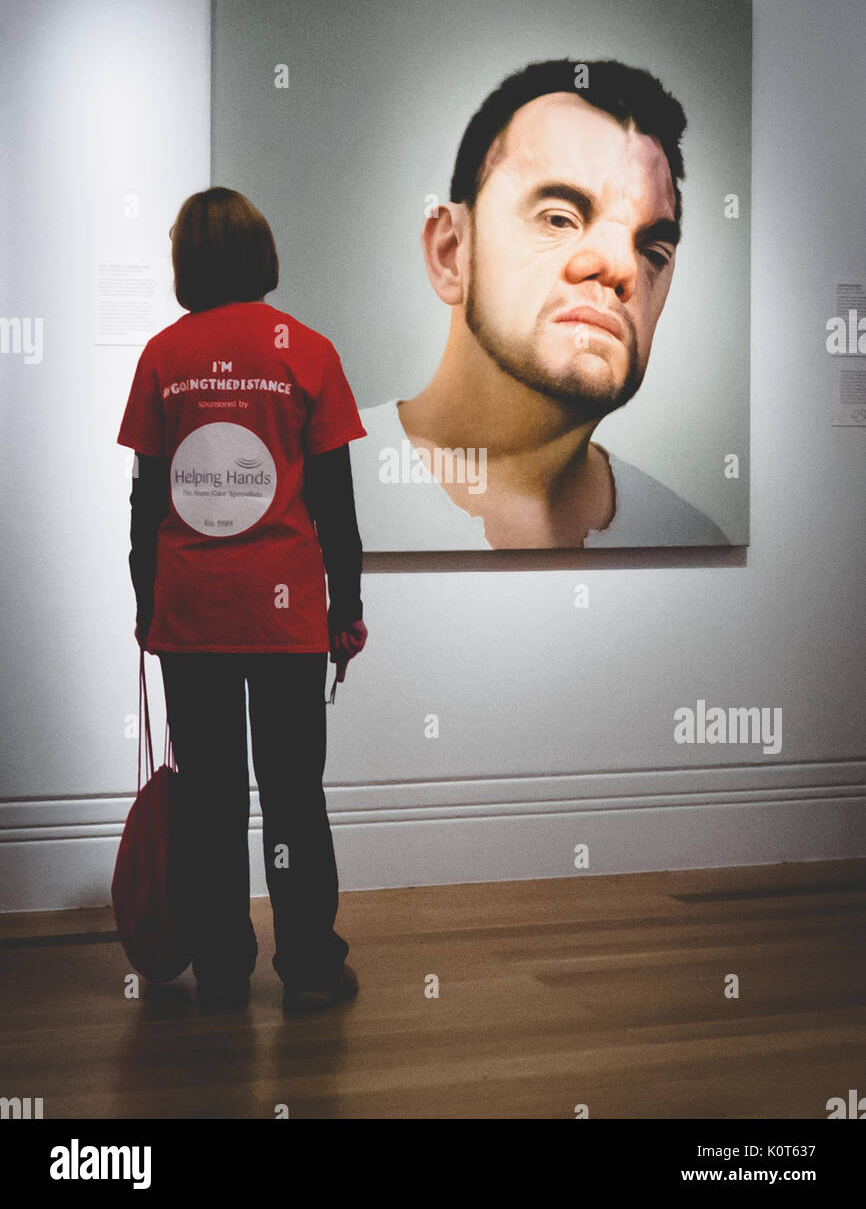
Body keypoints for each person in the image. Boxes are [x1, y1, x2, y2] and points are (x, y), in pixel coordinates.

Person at [116, 186, 368, 1014]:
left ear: (189, 260)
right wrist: (347, 607)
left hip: (191, 613)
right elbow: (334, 501)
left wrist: (145, 601)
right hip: (287, 610)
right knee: (295, 793)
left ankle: (223, 966)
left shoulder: (163, 354)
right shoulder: (310, 351)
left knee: (211, 799)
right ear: (262, 254)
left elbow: (146, 499)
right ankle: (309, 967)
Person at [349, 57, 729, 550]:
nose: (620, 266)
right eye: (558, 218)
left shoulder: (686, 537)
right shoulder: (306, 495)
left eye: (651, 250)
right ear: (451, 253)